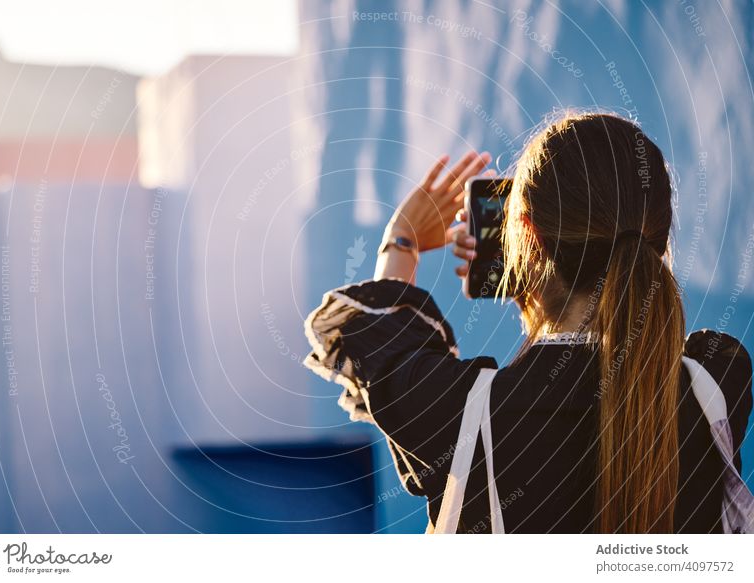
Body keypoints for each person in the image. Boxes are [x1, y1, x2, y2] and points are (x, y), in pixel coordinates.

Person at [303, 112, 752, 533]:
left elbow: (380, 337)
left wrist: (402, 240)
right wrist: (537, 260)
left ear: (529, 238)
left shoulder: (458, 418)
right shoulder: (718, 380)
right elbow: (630, 275)